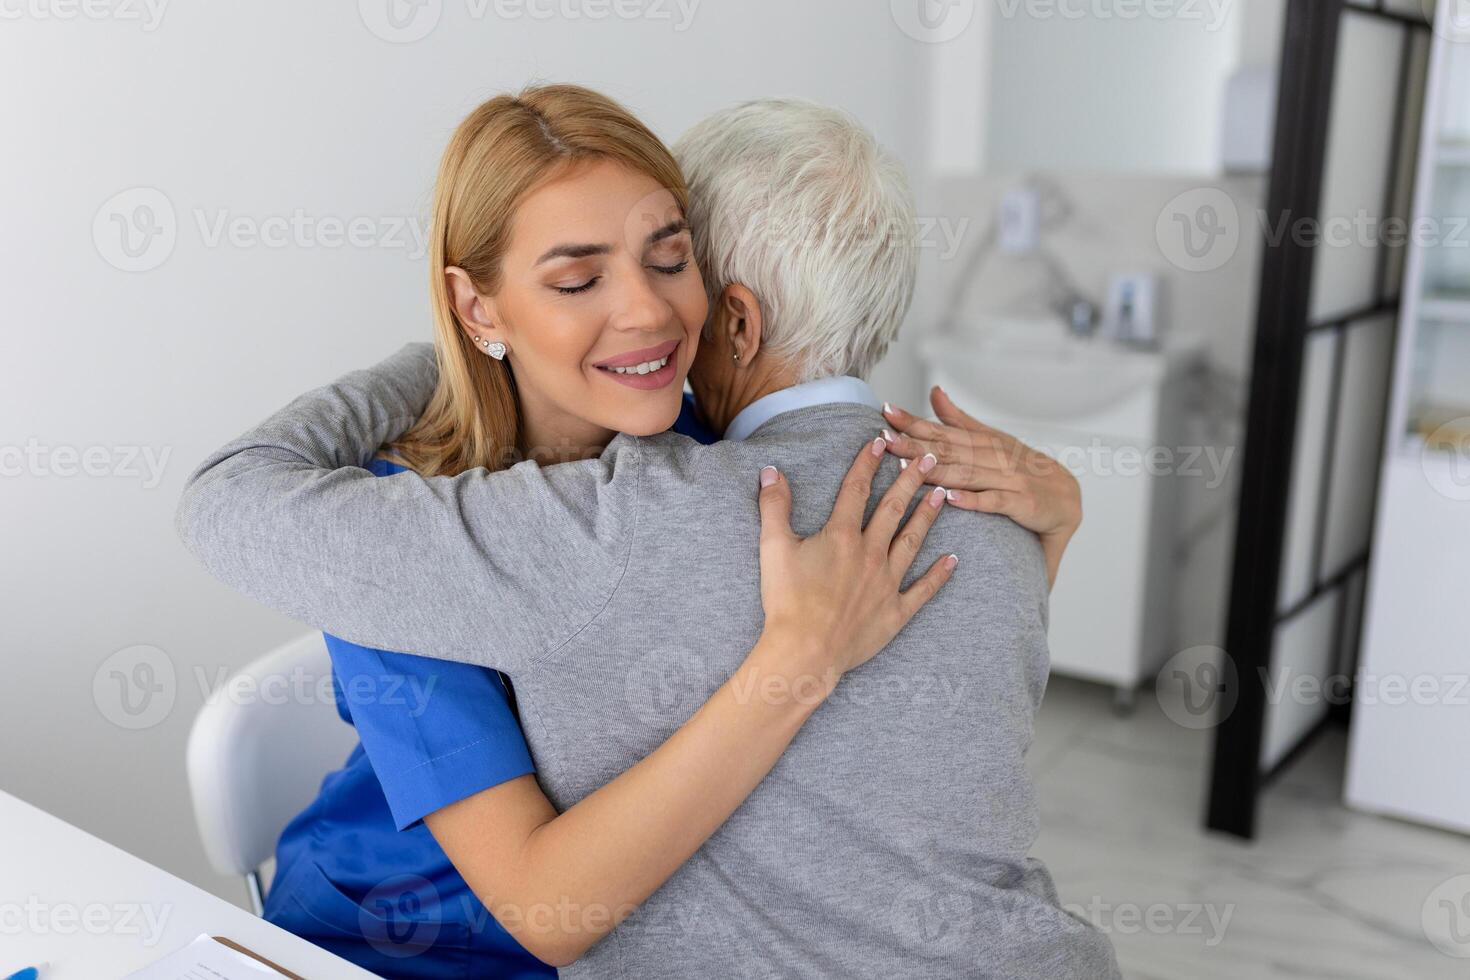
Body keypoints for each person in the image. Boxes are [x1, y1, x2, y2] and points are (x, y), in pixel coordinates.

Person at [177, 89, 1118, 978]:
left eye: (671, 261)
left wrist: (1048, 530)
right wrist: (798, 657)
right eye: (578, 278)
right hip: (406, 938)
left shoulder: (694, 446)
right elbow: (545, 909)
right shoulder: (404, 534)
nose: (649, 310)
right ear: (481, 306)